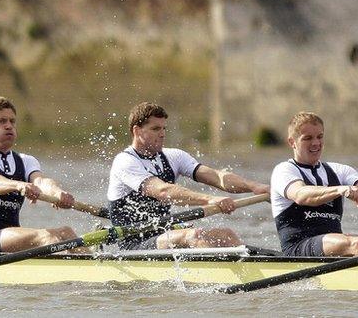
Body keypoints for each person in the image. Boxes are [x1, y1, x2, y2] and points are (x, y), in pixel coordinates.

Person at [108, 102, 269, 250]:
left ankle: (251, 270)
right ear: (136, 131)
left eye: (164, 128)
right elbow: (163, 191)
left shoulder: (174, 156)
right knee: (193, 235)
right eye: (156, 129)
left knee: (226, 234)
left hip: (165, 234)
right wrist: (209, 199)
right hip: (135, 244)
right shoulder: (125, 162)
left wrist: (254, 187)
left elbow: (217, 176)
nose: (163, 134)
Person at [271, 111, 358, 256]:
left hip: (334, 246)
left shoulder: (339, 170)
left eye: (320, 137)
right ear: (292, 142)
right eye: (308, 138)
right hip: (299, 248)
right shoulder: (284, 170)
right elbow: (301, 195)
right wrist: (340, 190)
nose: (316, 143)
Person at [0, 96, 82, 253]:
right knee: (48, 238)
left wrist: (57, 193)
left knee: (67, 233)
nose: (8, 126)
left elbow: (41, 182)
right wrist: (18, 184)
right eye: (1, 121)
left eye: (12, 121)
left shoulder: (25, 160)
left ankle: (97, 273)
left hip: (12, 238)